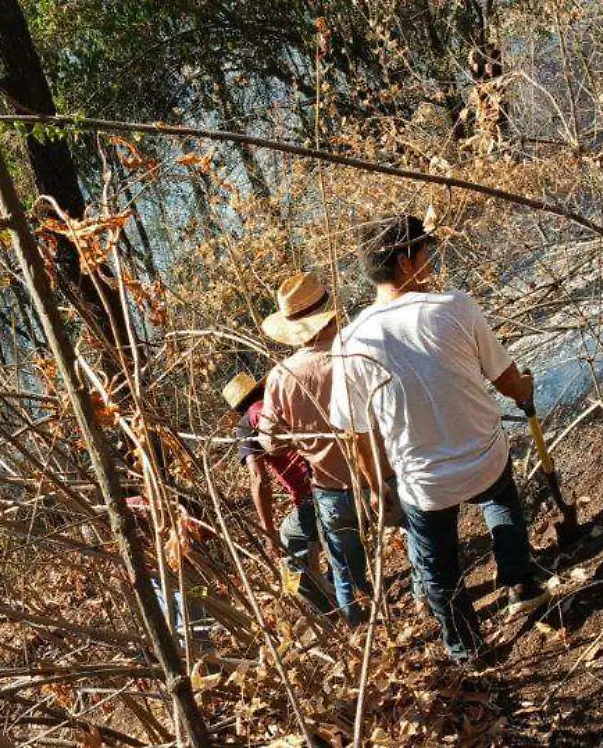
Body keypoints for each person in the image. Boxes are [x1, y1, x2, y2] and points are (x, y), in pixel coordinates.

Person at [330, 214, 550, 663]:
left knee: (438, 566)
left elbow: (355, 435)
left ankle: (465, 647)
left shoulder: (350, 341)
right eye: (425, 251)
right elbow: (507, 380)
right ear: (404, 260)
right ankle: (520, 580)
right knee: (501, 497)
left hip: (423, 484)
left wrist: (378, 487)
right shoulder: (456, 306)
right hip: (485, 456)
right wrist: (524, 389)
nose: (430, 259)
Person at [256, 272, 373, 625]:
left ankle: (358, 626)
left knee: (343, 565)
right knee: (417, 535)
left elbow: (270, 442)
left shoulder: (281, 377)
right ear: (332, 315)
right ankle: (426, 603)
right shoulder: (357, 353)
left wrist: (303, 435)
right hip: (383, 475)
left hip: (332, 488)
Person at [222, 372, 332, 616]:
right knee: (324, 542)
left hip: (309, 494)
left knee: (289, 550)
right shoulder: (280, 401)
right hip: (333, 475)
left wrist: (268, 530)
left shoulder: (247, 425)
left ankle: (325, 613)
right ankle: (338, 588)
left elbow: (258, 479)